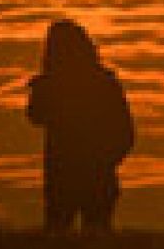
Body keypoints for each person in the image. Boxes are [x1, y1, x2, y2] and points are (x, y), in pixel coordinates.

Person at [27, 19, 134, 233]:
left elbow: (35, 115)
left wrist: (105, 160)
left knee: (65, 235)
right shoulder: (104, 83)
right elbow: (36, 116)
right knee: (84, 235)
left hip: (74, 175)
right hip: (80, 176)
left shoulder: (100, 84)